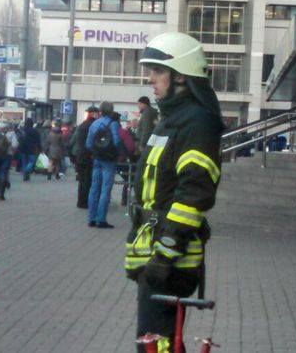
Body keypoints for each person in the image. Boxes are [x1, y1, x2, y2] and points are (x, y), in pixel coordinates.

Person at [126, 32, 223, 352]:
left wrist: (166, 251)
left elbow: (194, 192)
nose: (150, 79)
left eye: (157, 71)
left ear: (181, 76)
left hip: (170, 260)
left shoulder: (195, 122)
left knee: (157, 345)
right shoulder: (173, 119)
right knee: (156, 342)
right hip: (158, 255)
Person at [85, 101, 121, 228]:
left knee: (94, 188)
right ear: (111, 111)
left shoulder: (94, 124)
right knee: (106, 189)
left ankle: (91, 218)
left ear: (100, 111)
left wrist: (96, 151)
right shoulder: (113, 123)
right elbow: (116, 142)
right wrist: (116, 154)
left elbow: (88, 144)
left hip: (97, 158)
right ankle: (101, 219)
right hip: (109, 160)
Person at [70, 106, 99, 209]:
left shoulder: (82, 125)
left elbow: (73, 141)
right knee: (87, 181)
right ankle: (84, 202)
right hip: (88, 156)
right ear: (93, 113)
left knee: (82, 181)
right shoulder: (93, 125)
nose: (98, 115)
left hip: (80, 156)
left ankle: (80, 201)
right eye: (97, 113)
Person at [0, 121, 18, 200]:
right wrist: (11, 149)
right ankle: (2, 193)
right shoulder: (11, 133)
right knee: (4, 172)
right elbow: (15, 145)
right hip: (7, 155)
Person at [113, 112, 137, 207]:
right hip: (121, 160)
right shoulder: (123, 132)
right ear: (119, 121)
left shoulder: (105, 130)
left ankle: (105, 200)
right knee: (130, 178)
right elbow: (131, 147)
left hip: (106, 160)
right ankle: (125, 200)